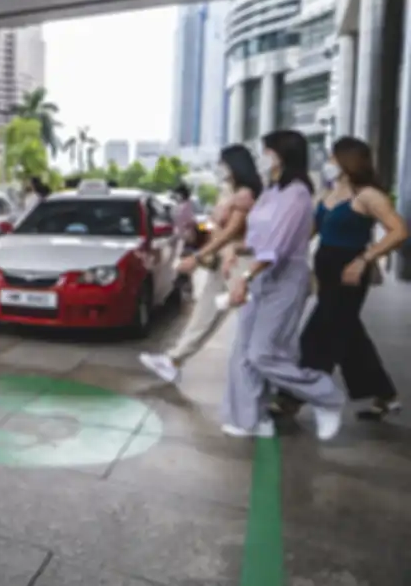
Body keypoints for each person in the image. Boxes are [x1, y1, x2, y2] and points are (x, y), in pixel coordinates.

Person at [271, 137, 408, 421]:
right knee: (348, 334)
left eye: (333, 158)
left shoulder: (368, 195)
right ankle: (384, 394)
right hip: (326, 270)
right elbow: (308, 232)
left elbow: (399, 231)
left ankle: (291, 398)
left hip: (350, 273)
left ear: (347, 161)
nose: (328, 164)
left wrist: (364, 259)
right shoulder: (328, 194)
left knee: (319, 334)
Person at [222, 129, 346, 440]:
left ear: (280, 155)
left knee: (263, 353)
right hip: (261, 274)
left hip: (284, 279)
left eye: (266, 151)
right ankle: (253, 418)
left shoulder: (297, 194)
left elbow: (277, 247)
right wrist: (240, 250)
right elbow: (260, 238)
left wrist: (245, 277)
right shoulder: (271, 191)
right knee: (243, 352)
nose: (262, 157)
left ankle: (325, 396)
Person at [139, 145, 262, 384]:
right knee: (205, 312)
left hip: (238, 261)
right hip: (222, 259)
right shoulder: (229, 191)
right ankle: (174, 360)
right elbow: (218, 228)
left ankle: (267, 381)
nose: (221, 168)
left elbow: (231, 231)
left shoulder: (245, 194)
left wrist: (196, 257)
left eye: (224, 164)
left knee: (252, 326)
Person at [171, 183, 197, 250]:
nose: (175, 196)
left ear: (181, 194)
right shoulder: (180, 205)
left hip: (184, 236)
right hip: (178, 235)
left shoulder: (186, 205)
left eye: (176, 194)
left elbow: (190, 220)